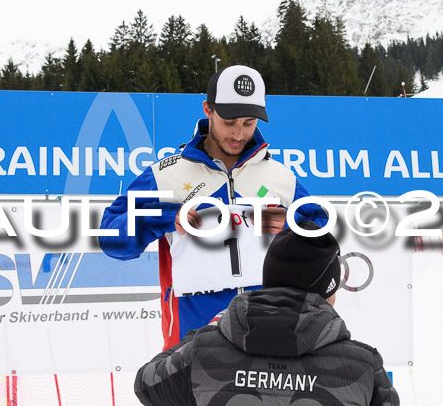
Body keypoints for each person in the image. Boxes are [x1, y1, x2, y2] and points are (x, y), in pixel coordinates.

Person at [99, 65, 328, 349]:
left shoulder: (280, 178)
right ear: (208, 109)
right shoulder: (165, 175)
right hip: (192, 342)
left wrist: (292, 226)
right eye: (229, 121)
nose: (238, 133)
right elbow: (110, 238)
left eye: (248, 123)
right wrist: (169, 218)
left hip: (269, 335)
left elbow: (323, 237)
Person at [134, 222, 400, 406]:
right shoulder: (363, 366)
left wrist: (203, 332)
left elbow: (146, 384)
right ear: (329, 292)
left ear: (268, 279)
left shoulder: (204, 351)